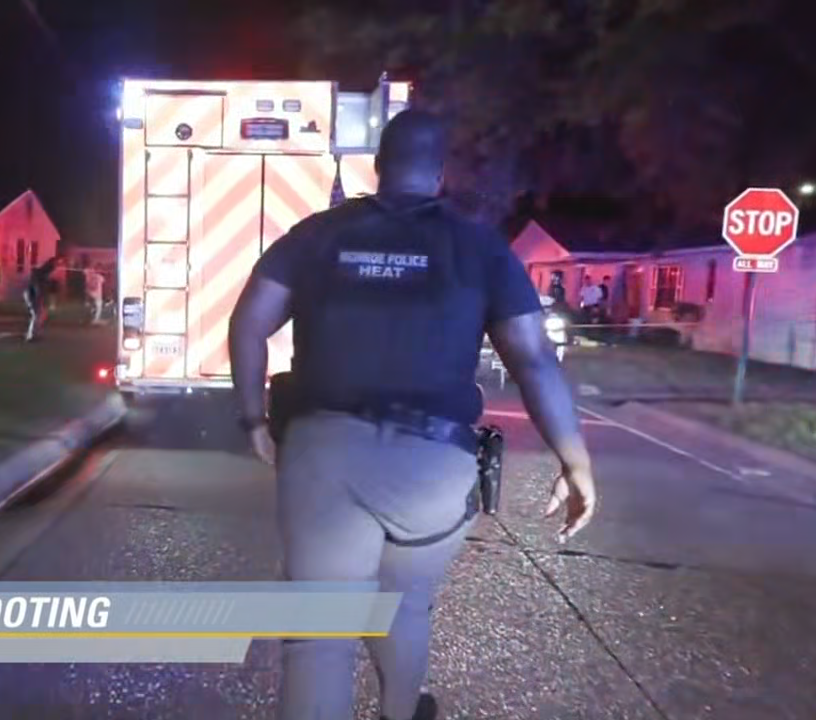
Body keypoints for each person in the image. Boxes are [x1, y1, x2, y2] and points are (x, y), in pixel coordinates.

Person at [228, 110, 598, 720]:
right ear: (440, 173)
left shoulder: (318, 234)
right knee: (404, 604)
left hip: (325, 453)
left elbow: (248, 323)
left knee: (318, 638)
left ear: (378, 166)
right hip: (432, 464)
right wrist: (574, 459)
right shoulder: (479, 248)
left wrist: (252, 420)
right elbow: (533, 358)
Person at [24, 255, 62, 342]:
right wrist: (38, 295)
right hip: (32, 295)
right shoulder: (40, 274)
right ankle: (30, 336)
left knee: (41, 315)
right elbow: (36, 287)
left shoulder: (45, 276)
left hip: (35, 295)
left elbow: (49, 290)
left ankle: (34, 333)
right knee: (36, 315)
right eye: (56, 265)